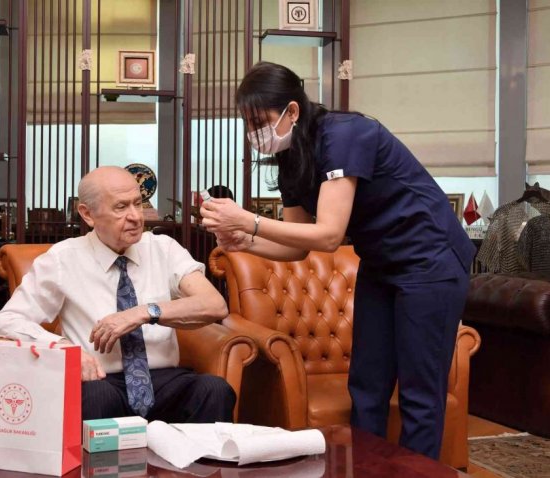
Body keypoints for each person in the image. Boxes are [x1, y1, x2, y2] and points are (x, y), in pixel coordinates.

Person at [200, 61, 476, 460]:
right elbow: (296, 245)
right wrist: (244, 241)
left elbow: (328, 235)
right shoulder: (292, 157)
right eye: (248, 123)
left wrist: (249, 220)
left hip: (429, 259)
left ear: (292, 111)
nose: (253, 133)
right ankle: (365, 469)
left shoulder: (346, 134)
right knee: (366, 385)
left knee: (419, 392)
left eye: (260, 121)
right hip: (380, 264)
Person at [0, 166, 235, 423]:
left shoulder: (163, 248)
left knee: (215, 390)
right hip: (101, 380)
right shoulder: (62, 259)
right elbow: (7, 321)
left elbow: (214, 305)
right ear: (88, 214)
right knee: (96, 396)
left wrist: (143, 313)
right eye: (121, 207)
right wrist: (65, 349)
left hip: (164, 379)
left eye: (137, 204)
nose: (135, 217)